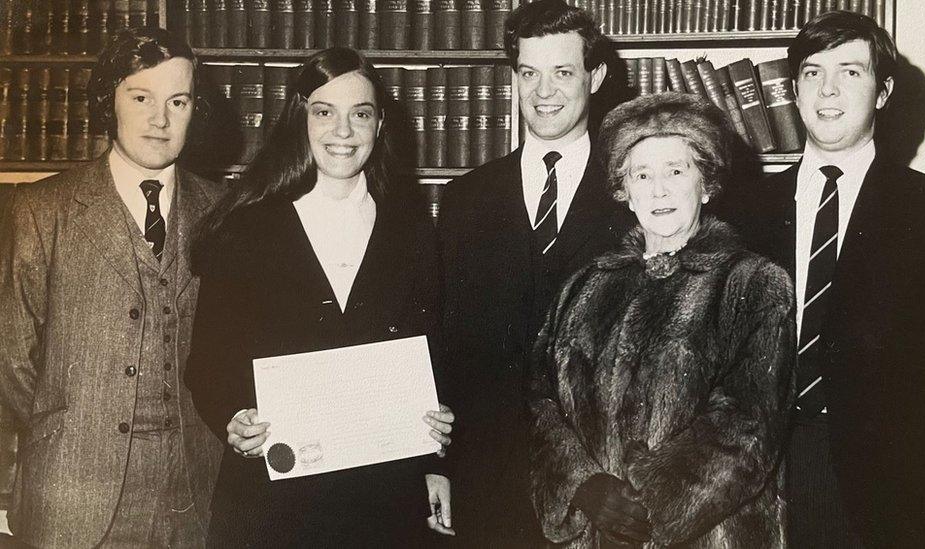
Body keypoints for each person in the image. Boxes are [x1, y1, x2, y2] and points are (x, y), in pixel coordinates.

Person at [184, 47, 455, 547]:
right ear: (299, 118)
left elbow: (433, 350)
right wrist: (234, 416)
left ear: (380, 126)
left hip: (381, 501)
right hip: (271, 504)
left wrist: (436, 447)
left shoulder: (412, 229)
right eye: (325, 112)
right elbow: (208, 362)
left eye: (361, 114)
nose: (343, 132)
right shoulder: (247, 227)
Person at [731, 11, 925, 548]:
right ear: (793, 89)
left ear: (884, 92)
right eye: (812, 72)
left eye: (851, 71)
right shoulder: (745, 206)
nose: (828, 89)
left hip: (880, 483)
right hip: (756, 476)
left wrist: (914, 455)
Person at [528, 93, 796, 548]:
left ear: (706, 184)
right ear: (623, 190)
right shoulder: (583, 286)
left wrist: (647, 506)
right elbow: (539, 402)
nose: (659, 190)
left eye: (676, 171)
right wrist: (585, 487)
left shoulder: (753, 283)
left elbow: (748, 425)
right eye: (642, 174)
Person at [0, 27, 223, 547]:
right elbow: (12, 356)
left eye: (178, 101)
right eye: (141, 97)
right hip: (73, 492)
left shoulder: (222, 211)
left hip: (194, 492)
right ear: (109, 103)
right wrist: (73, 428)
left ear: (195, 110)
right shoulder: (43, 209)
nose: (160, 119)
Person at [437, 0, 633, 545]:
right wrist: (437, 466)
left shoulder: (636, 196)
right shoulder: (464, 200)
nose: (544, 92)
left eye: (563, 73)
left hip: (601, 491)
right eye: (530, 73)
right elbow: (444, 346)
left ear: (595, 77)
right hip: (487, 482)